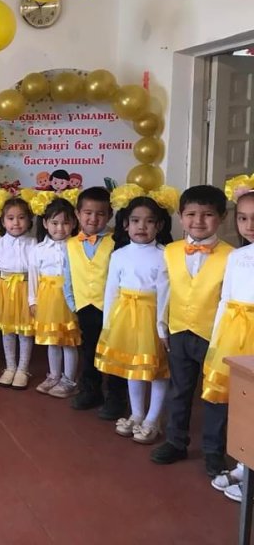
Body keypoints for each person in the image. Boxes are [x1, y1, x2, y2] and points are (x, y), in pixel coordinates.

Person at [150, 186, 233, 475]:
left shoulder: (231, 256)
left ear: (222, 217)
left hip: (215, 337)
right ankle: (176, 441)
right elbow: (164, 291)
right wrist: (162, 327)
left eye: (208, 214)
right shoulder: (171, 251)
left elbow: (229, 299)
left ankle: (213, 451)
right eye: (191, 214)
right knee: (179, 390)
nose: (198, 221)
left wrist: (223, 338)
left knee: (214, 395)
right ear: (180, 216)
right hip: (178, 331)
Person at [94, 190, 173, 444]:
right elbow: (111, 291)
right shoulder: (119, 255)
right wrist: (108, 325)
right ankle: (137, 413)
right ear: (126, 224)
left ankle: (153, 417)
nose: (142, 227)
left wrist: (162, 328)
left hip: (152, 317)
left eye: (149, 221)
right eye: (136, 220)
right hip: (125, 318)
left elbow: (166, 293)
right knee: (132, 367)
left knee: (157, 369)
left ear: (159, 225)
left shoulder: (165, 254)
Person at [200, 181, 254, 487]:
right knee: (236, 399)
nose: (249, 225)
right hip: (232, 334)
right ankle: (243, 464)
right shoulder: (235, 256)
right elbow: (225, 299)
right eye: (243, 218)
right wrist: (217, 339)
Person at [64, 187, 128, 420]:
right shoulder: (71, 244)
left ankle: (116, 397)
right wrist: (73, 304)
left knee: (114, 353)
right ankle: (90, 390)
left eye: (100, 214)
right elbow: (68, 275)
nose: (93, 218)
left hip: (111, 309)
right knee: (88, 350)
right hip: (84, 306)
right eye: (88, 213)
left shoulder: (116, 242)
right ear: (77, 214)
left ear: (109, 215)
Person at [28, 195, 81, 398]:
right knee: (52, 340)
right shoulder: (38, 249)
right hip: (47, 299)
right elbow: (33, 277)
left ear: (74, 223)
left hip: (68, 299)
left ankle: (69, 379)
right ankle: (54, 375)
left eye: (65, 223)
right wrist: (32, 301)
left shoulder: (76, 246)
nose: (60, 228)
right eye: (55, 223)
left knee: (68, 340)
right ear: (45, 223)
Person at [0, 190, 36, 389]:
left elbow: (35, 273)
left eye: (21, 218)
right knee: (7, 330)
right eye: (11, 218)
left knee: (24, 331)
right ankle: (10, 367)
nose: (16, 223)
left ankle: (23, 369)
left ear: (29, 219)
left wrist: (33, 299)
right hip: (5, 290)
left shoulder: (34, 244)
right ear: (3, 221)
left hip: (25, 289)